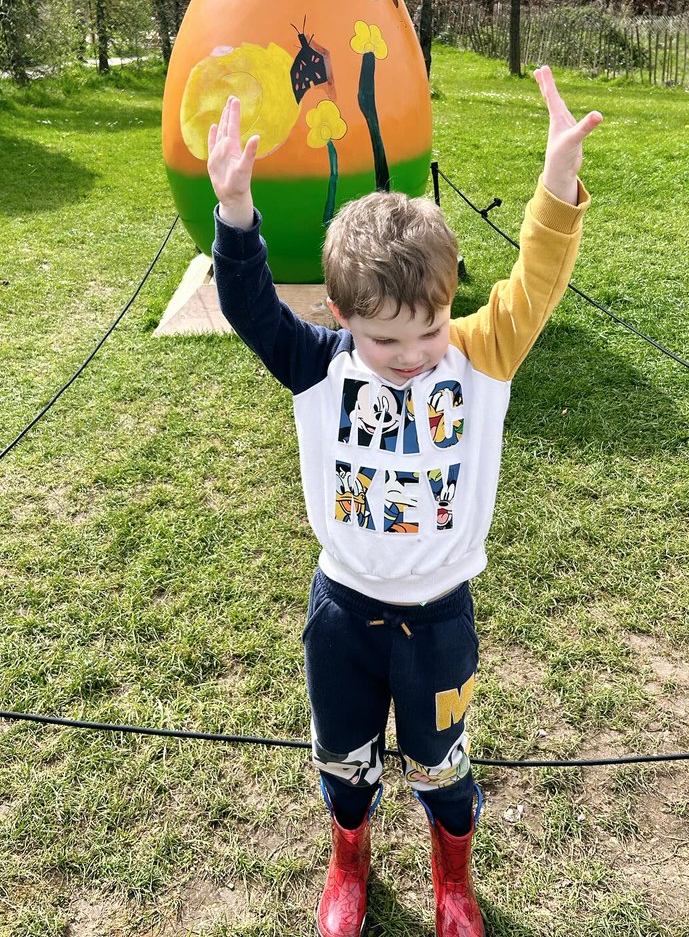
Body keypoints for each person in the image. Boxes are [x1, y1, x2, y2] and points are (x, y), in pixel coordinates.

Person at [206, 68, 600, 937]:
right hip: (341, 612)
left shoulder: (479, 354)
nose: (417, 352)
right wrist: (235, 211)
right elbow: (247, 306)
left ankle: (452, 877)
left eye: (429, 327)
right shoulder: (318, 364)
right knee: (344, 758)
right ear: (342, 314)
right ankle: (349, 859)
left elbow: (534, 282)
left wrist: (557, 182)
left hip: (440, 618)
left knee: (441, 763)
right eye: (387, 338)